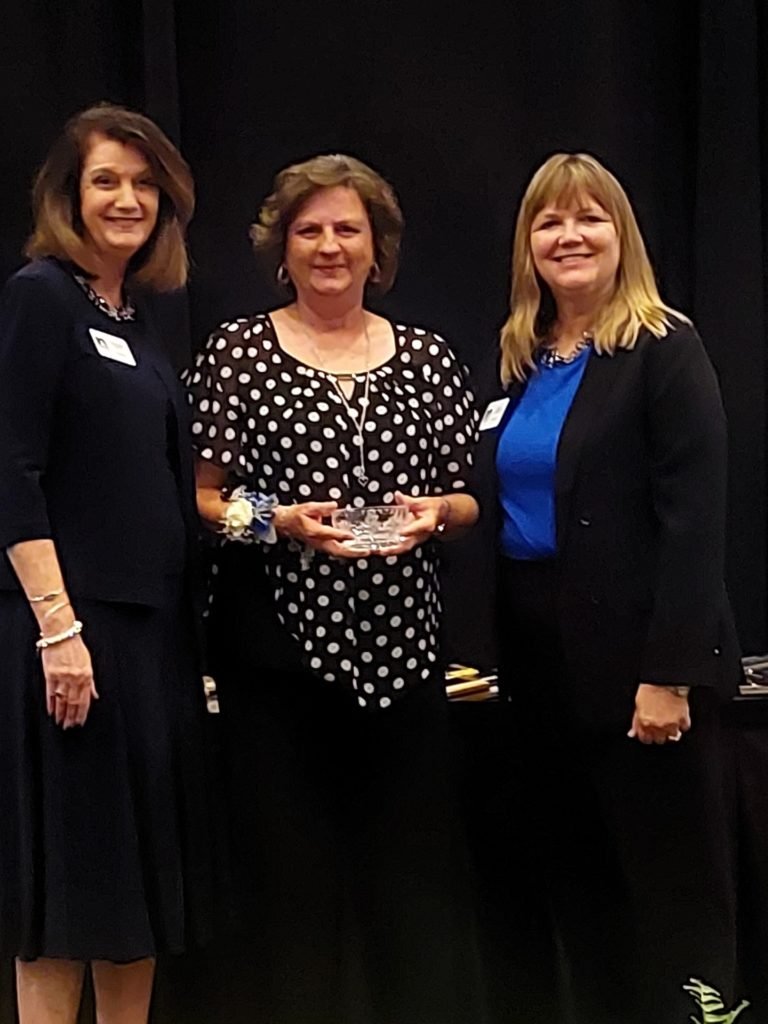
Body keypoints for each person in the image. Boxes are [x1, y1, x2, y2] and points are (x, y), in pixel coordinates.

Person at [183, 153, 484, 1024]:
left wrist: (438, 515)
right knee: (290, 902)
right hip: (275, 667)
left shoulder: (427, 357)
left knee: (415, 896)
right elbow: (202, 501)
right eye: (309, 230)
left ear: (376, 246)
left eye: (346, 228)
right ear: (282, 247)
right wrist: (274, 520)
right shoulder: (238, 351)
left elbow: (471, 497)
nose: (328, 246)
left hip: (407, 664)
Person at [470, 152, 742, 1024]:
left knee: (662, 888)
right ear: (529, 246)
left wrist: (668, 674)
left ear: (621, 235)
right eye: (551, 222)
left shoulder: (664, 345)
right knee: (577, 887)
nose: (570, 235)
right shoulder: (522, 360)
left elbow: (695, 521)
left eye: (590, 218)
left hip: (637, 670)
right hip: (540, 664)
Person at [0, 104, 211, 1024]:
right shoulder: (41, 297)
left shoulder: (131, 316)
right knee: (70, 898)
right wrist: (60, 627)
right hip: (73, 644)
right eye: (105, 180)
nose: (127, 198)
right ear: (67, 196)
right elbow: (11, 469)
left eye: (143, 182)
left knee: (139, 902)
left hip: (151, 647)